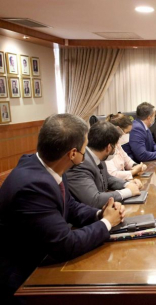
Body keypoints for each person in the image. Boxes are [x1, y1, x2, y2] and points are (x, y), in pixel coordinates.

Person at [0, 114, 125, 303]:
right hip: (24, 279)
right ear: (72, 154)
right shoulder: (33, 186)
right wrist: (107, 223)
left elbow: (71, 207)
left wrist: (100, 213)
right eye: (84, 150)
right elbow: (66, 245)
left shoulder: (49, 166)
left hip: (44, 258)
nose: (85, 155)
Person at [66, 121, 142, 208]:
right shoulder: (80, 163)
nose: (116, 150)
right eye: (115, 147)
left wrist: (127, 184)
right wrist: (128, 192)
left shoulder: (97, 155)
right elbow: (94, 200)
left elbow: (107, 178)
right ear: (109, 147)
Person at [105, 113, 147, 180]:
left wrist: (138, 166)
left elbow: (128, 161)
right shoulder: (106, 147)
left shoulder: (117, 145)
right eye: (127, 132)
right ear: (118, 129)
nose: (128, 135)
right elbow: (113, 174)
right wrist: (134, 171)